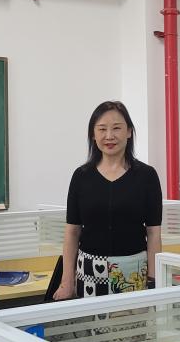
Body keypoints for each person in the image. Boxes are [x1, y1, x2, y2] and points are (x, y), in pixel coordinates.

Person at [54, 101, 162, 300]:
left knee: (132, 321)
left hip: (133, 272)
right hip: (90, 272)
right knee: (92, 321)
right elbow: (72, 231)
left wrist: (154, 280)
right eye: (102, 129)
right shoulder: (81, 176)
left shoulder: (146, 176)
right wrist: (66, 281)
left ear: (129, 132)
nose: (109, 136)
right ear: (93, 135)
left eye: (117, 128)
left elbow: (153, 232)